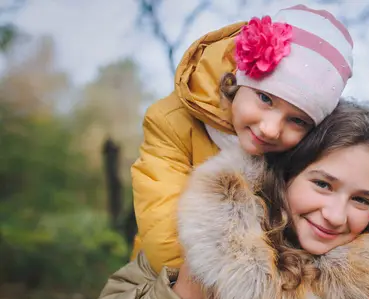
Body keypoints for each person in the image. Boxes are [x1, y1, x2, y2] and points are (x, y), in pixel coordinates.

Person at [74, 100, 369, 299]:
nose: (334, 216)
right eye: (323, 184)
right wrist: (178, 296)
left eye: (361, 199)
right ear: (285, 174)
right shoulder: (209, 234)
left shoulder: (364, 266)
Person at [131, 4, 355, 275]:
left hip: (264, 281)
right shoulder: (172, 121)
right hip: (172, 277)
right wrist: (196, 286)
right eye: (265, 98)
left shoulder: (304, 150)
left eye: (297, 120)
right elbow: (161, 221)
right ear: (238, 81)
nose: (271, 129)